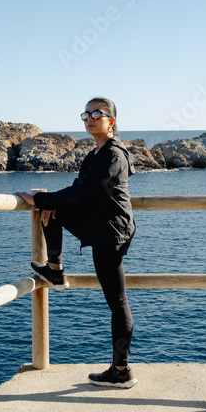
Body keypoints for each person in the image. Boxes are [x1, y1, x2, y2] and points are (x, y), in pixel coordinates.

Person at [15, 97, 137, 389]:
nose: (90, 118)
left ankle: (122, 370)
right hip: (99, 224)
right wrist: (51, 203)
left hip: (110, 232)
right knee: (53, 210)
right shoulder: (95, 154)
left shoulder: (113, 155)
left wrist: (41, 199)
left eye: (98, 113)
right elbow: (78, 190)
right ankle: (54, 269)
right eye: (86, 114)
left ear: (112, 121)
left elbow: (82, 193)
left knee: (117, 302)